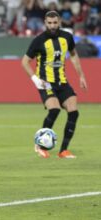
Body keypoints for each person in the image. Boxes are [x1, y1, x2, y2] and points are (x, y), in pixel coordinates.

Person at [21, 11, 88, 159]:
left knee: (74, 112)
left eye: (55, 23)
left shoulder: (67, 37)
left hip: (62, 82)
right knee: (54, 110)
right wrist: (35, 80)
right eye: (49, 23)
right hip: (46, 82)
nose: (52, 26)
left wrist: (81, 76)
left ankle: (63, 150)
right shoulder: (39, 41)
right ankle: (40, 146)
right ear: (45, 22)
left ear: (59, 22)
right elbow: (24, 62)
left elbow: (74, 55)